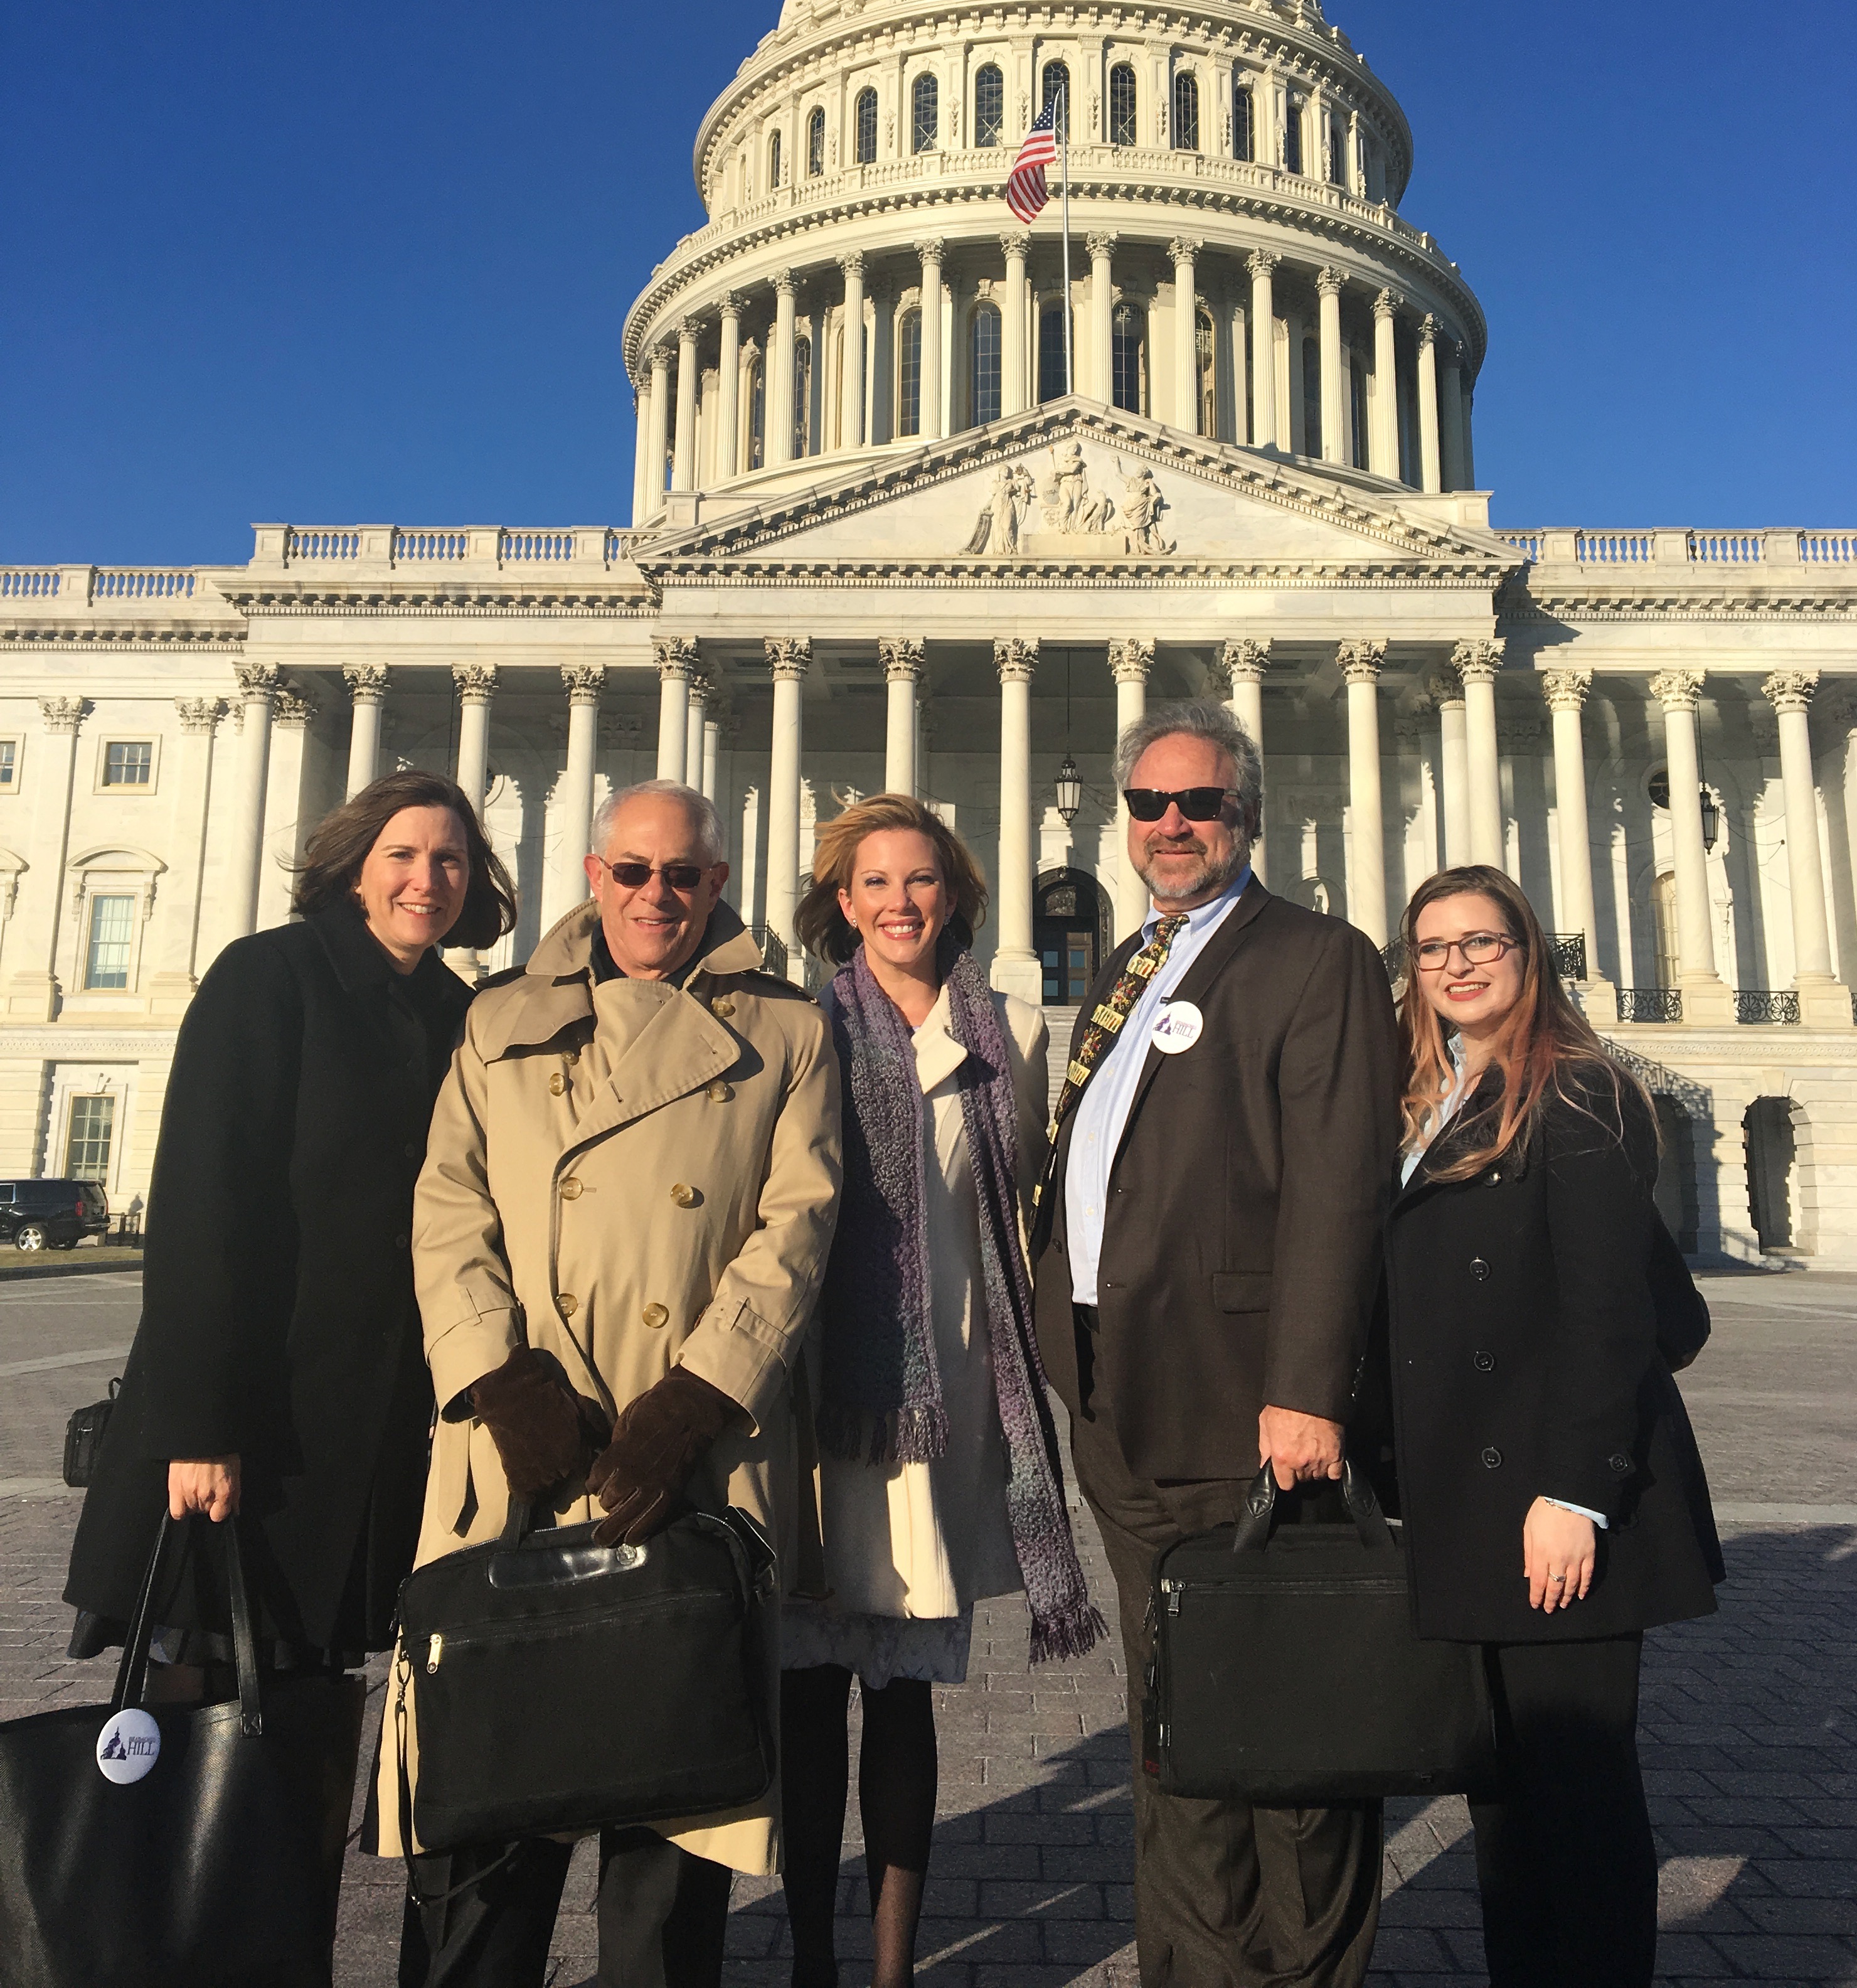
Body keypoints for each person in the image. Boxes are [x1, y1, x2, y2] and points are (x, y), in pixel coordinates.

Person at [380, 779, 842, 1988]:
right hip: (520, 1453)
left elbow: (799, 1224)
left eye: (682, 875)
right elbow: (447, 1206)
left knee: (665, 1836)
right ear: (595, 877)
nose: (656, 897)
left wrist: (700, 1395)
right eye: (632, 873)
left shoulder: (787, 1032)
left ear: (718, 887)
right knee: (485, 1834)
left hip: (680, 1459)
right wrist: (495, 1374)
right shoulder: (497, 1020)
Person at [64, 772, 512, 1906]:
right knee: (204, 1700)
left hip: (363, 1437)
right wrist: (202, 1427)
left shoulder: (455, 1016)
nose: (427, 880)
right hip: (248, 1426)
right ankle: (170, 1939)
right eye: (405, 854)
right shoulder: (268, 978)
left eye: (450, 861)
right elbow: (207, 1211)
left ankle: (269, 1936)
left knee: (308, 1704)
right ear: (354, 861)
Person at [1031, 698, 1398, 1988]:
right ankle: (1196, 1969)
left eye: (1201, 803)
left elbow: (1341, 1186)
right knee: (1177, 1729)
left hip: (1247, 1408)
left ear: (1250, 813)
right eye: (1150, 804)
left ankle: (1301, 1974)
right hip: (1124, 1404)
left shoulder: (1314, 956)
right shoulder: (1128, 969)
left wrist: (1307, 1391)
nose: (1172, 824)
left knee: (1290, 1739)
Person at [1383, 864, 1723, 1988]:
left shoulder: (1577, 1089)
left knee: (1577, 1800)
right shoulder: (1429, 1093)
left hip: (1554, 1492)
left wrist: (1576, 1491)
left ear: (1529, 956)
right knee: (1505, 1804)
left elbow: (1607, 1311)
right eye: (1435, 948)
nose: (1459, 965)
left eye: (1483, 942)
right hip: (1473, 1491)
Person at [780, 795, 1099, 1988]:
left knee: (905, 1704)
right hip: (822, 1407)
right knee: (807, 1697)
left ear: (955, 893)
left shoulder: (1009, 1029)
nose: (900, 903)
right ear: (841, 900)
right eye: (875, 883)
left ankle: (892, 1965)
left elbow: (1028, 1210)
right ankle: (815, 1952)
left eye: (921, 881)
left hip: (942, 1409)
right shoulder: (802, 1024)